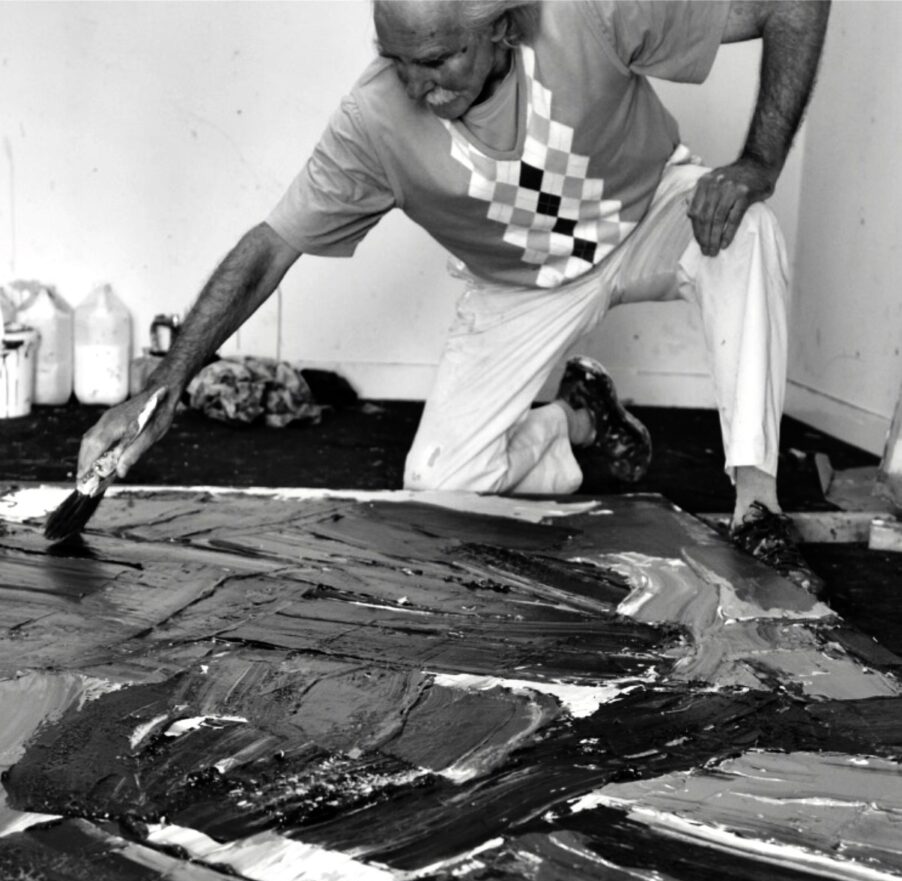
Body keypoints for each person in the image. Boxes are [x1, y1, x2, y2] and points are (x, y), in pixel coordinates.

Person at [78, 0, 831, 593]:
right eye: (396, 61)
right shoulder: (374, 121)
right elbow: (270, 247)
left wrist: (759, 162)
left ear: (501, 28)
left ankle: (756, 503)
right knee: (440, 491)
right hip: (524, 284)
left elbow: (792, 4)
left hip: (651, 214)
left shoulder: (589, 11)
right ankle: (578, 417)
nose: (418, 86)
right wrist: (163, 388)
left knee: (749, 228)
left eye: (438, 59)